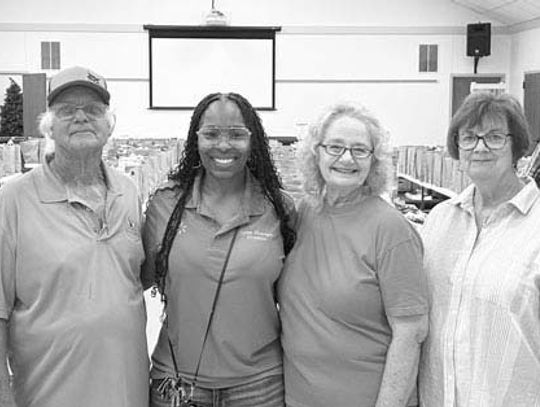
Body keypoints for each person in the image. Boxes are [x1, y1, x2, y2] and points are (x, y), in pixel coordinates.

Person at [0, 66, 149, 407]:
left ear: (109, 125)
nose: (81, 118)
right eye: (67, 111)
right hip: (49, 393)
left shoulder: (127, 192)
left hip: (128, 392)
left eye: (94, 110)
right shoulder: (14, 199)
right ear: (49, 126)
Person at [142, 92, 296, 407]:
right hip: (176, 382)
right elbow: (134, 281)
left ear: (253, 141)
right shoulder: (165, 205)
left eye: (237, 135)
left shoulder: (280, 208)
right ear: (194, 140)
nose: (223, 145)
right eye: (211, 134)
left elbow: (299, 295)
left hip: (259, 386)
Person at [278, 101, 428, 407]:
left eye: (360, 150)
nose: (346, 158)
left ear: (374, 161)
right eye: (335, 147)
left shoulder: (390, 229)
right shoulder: (305, 213)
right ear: (315, 153)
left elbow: (410, 332)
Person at [419, 92, 540, 406]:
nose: (480, 147)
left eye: (495, 137)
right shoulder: (439, 220)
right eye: (469, 137)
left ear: (518, 146)